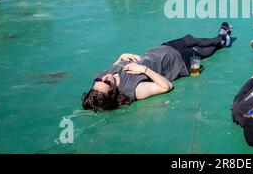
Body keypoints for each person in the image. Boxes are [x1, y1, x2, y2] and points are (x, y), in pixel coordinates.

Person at [82, 23, 233, 112]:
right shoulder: (133, 89)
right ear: (113, 91)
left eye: (99, 79)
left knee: (190, 39)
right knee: (202, 52)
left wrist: (122, 56)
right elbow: (166, 86)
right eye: (106, 83)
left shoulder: (104, 75)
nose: (105, 77)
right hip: (177, 61)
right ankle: (220, 40)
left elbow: (117, 64)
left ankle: (219, 39)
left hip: (161, 50)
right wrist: (144, 70)